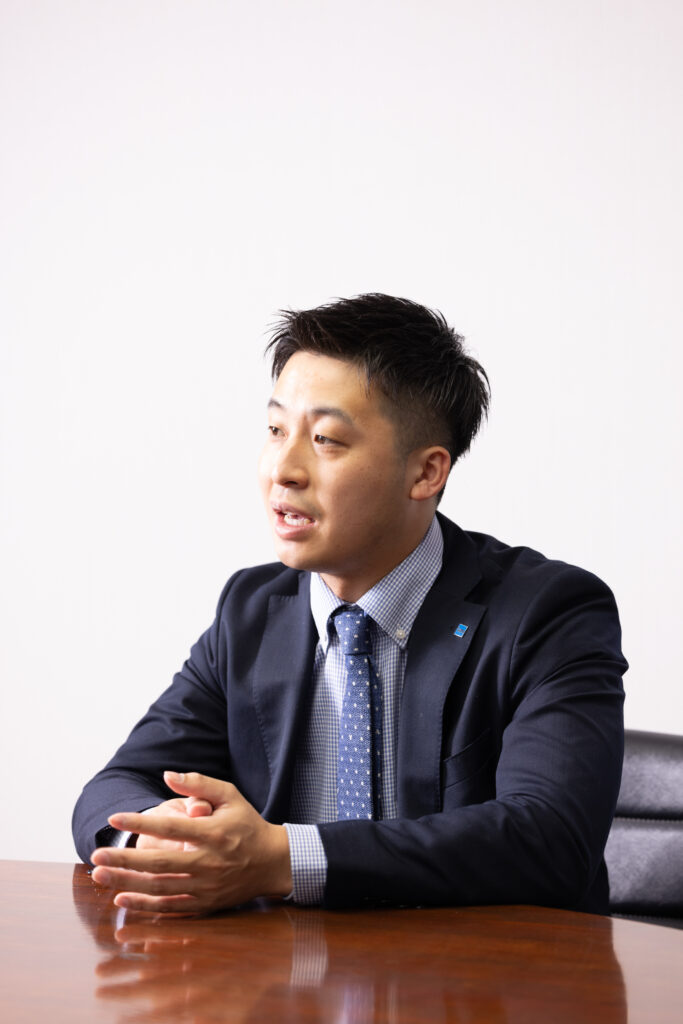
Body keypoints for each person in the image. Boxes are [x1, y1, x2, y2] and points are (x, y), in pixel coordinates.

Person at [73, 293, 627, 916]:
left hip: (475, 970)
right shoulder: (252, 610)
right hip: (278, 970)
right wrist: (158, 839)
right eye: (276, 430)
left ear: (426, 473)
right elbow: (116, 787)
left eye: (326, 439)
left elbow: (549, 841)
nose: (284, 469)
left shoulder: (547, 614)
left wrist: (283, 859)